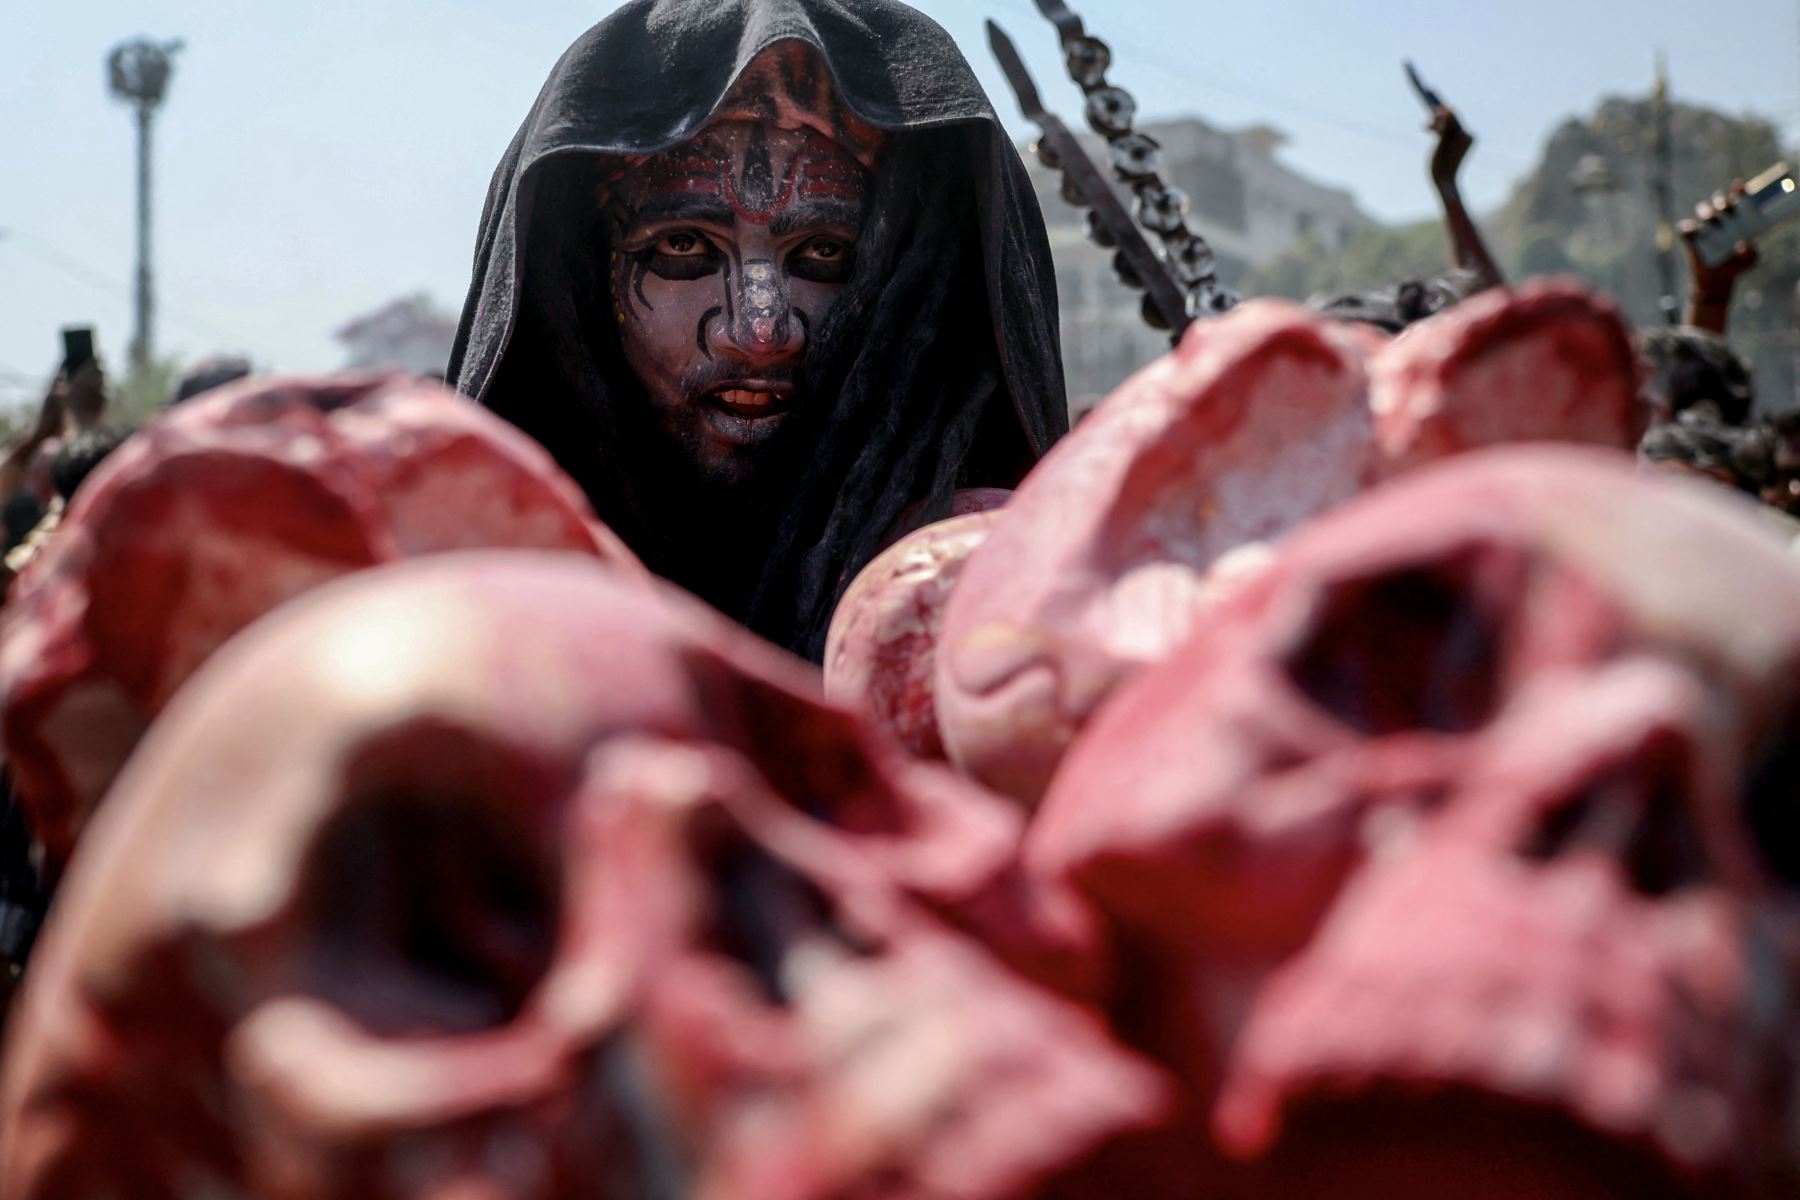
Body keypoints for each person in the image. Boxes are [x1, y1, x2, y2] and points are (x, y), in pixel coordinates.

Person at [449, 0, 1066, 657]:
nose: (761, 332)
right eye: (682, 246)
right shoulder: (483, 615)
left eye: (825, 254)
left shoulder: (990, 606)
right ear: (575, 289)